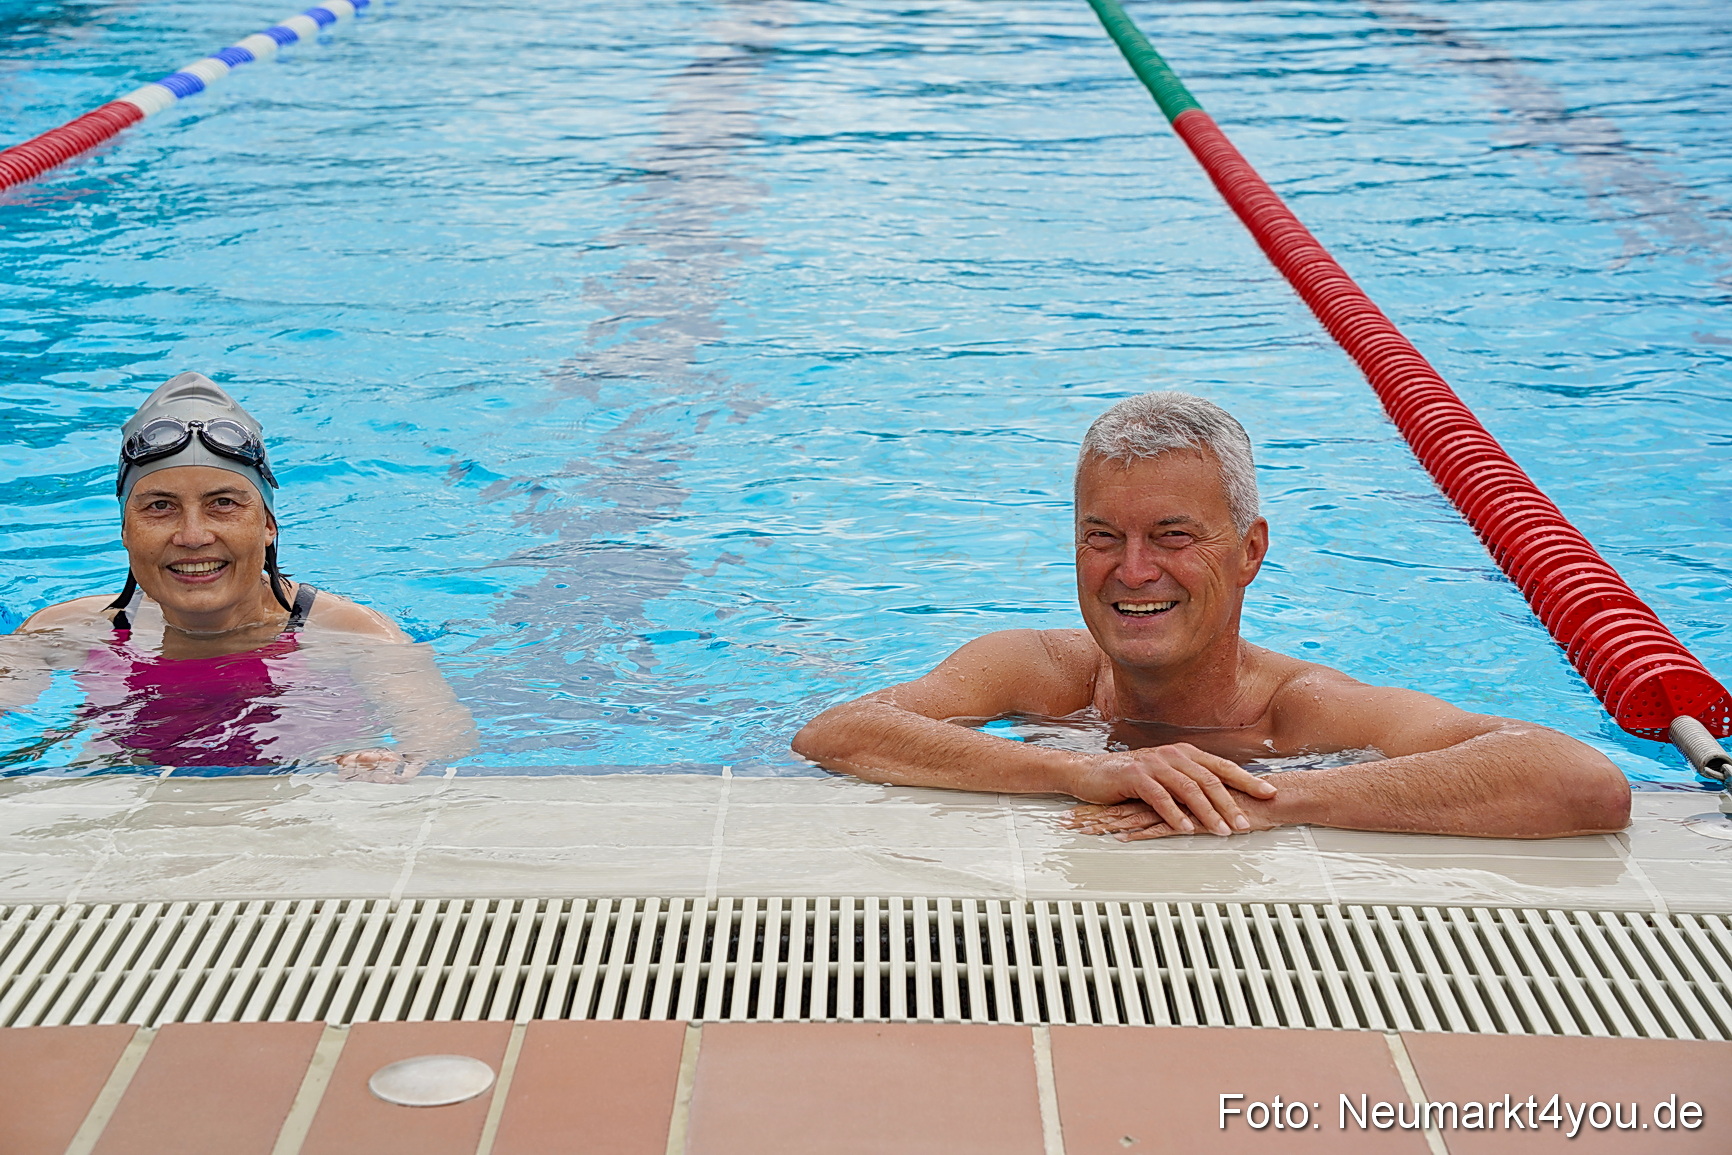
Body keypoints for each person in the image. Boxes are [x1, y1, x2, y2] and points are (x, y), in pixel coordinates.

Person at [792, 391, 1630, 840]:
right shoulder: (1040, 672)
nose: (1133, 571)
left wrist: (1280, 799)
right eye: (1102, 537)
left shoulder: (1300, 712)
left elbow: (1582, 780)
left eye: (1172, 536)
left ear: (1249, 551)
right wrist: (1079, 772)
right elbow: (839, 730)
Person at [1, 372, 475, 779]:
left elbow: (442, 735)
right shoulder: (66, 631)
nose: (192, 536)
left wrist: (392, 758)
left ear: (267, 525)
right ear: (125, 529)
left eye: (223, 504)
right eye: (160, 507)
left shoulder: (349, 633)